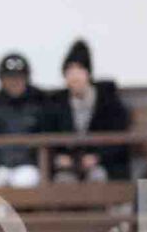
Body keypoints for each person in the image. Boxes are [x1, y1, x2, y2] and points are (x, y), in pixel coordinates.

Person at [47, 39, 132, 183]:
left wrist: (98, 157)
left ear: (88, 73)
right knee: (63, 180)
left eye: (79, 70)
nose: (74, 77)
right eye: (70, 72)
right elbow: (49, 134)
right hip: (68, 166)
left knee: (97, 176)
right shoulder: (57, 102)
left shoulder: (107, 100)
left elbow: (118, 135)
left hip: (102, 163)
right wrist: (60, 158)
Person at [0, 52, 50, 188]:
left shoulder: (39, 105)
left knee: (24, 181)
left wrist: (33, 162)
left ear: (26, 79)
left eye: (19, 78)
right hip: (0, 167)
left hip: (28, 167)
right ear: (2, 80)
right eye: (9, 78)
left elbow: (47, 138)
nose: (14, 82)